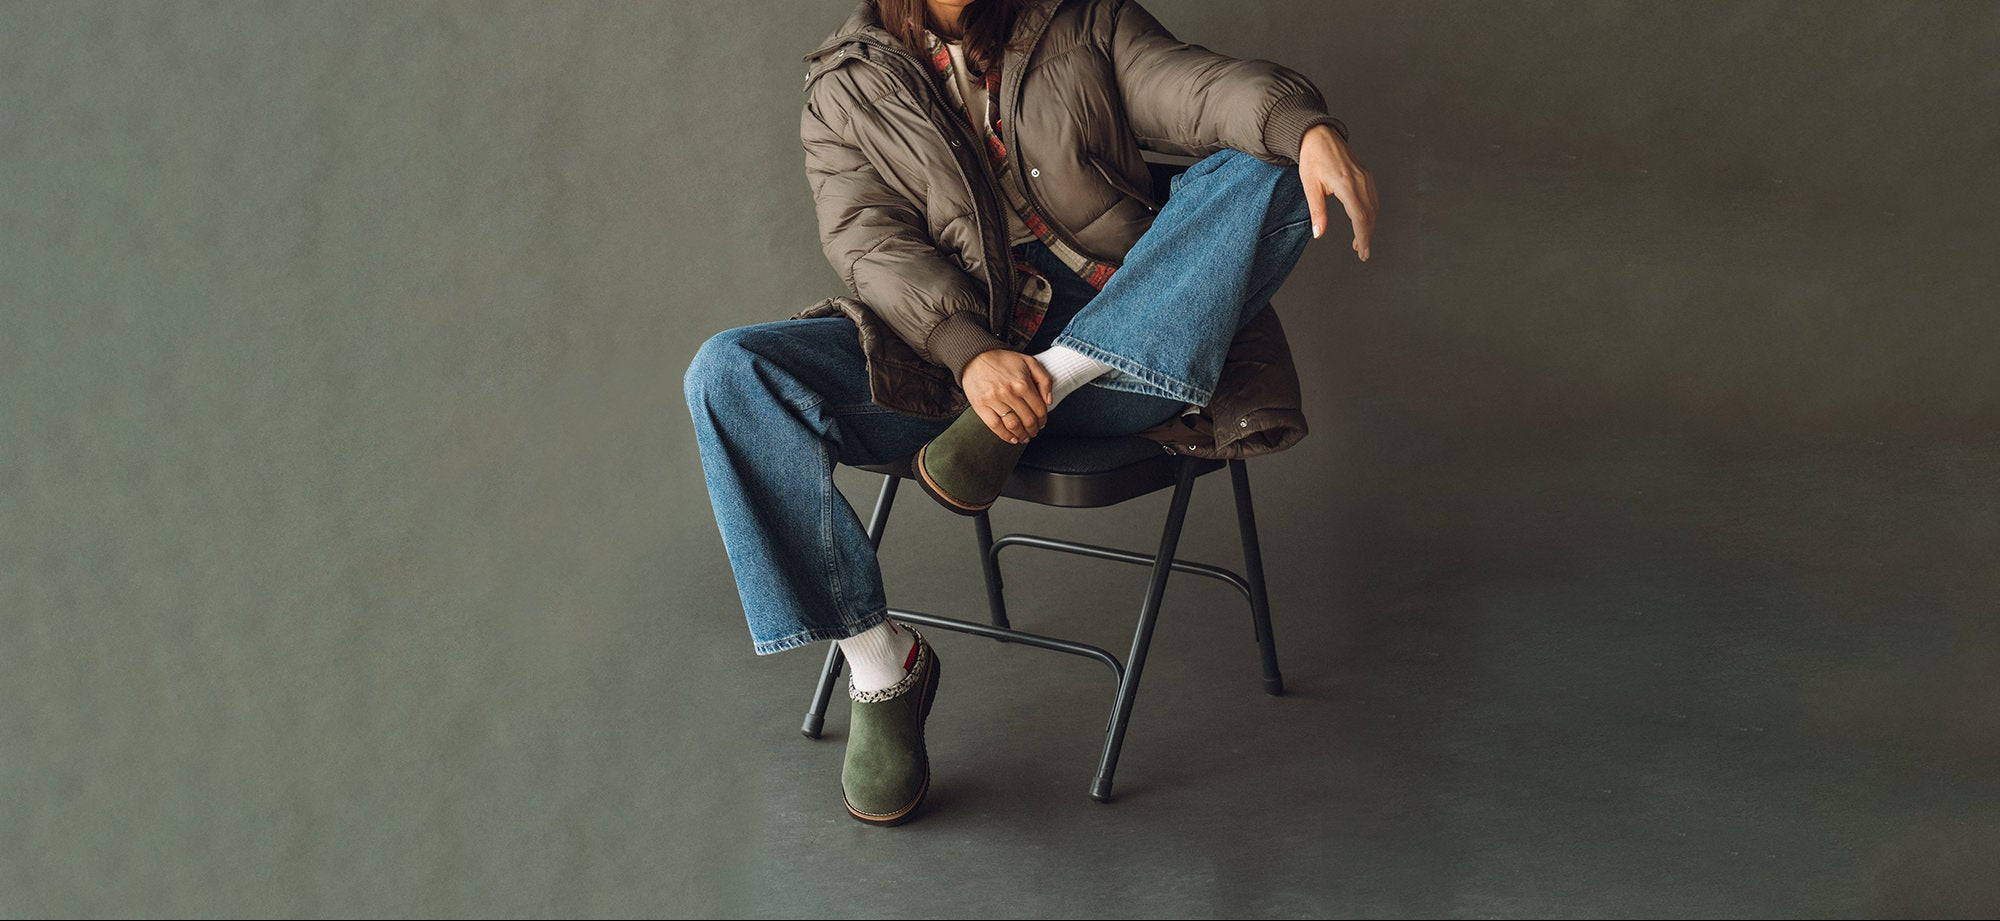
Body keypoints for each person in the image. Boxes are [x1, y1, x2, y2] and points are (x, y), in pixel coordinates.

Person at [683, 0, 1377, 826]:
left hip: (1129, 356)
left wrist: (1300, 125)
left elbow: (1199, 88)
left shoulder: (1084, 20)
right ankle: (879, 664)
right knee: (732, 370)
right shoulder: (845, 88)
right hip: (955, 372)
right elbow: (872, 244)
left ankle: (1055, 376)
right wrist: (972, 353)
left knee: (1269, 165)